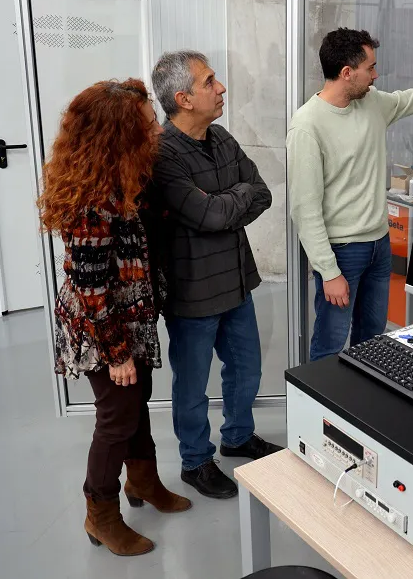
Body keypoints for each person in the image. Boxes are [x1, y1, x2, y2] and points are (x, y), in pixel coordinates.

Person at [41, 79, 191, 557]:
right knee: (115, 418)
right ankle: (100, 513)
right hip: (101, 326)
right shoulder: (94, 197)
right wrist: (117, 352)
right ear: (118, 135)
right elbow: (90, 290)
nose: (157, 131)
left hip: (129, 316)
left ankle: (143, 481)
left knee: (136, 401)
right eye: (147, 125)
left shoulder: (127, 176)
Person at [287, 28, 413, 361]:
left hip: (379, 246)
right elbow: (304, 209)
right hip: (342, 253)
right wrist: (329, 272)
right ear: (347, 73)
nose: (376, 75)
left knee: (372, 340)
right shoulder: (307, 126)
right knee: (330, 344)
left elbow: (407, 99)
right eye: (370, 68)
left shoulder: (372, 103)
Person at [151, 50, 282, 500]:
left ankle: (238, 436)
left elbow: (261, 193)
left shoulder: (221, 137)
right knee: (192, 385)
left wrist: (222, 202)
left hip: (236, 281)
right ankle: (195, 461)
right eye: (209, 82)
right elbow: (207, 215)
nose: (221, 87)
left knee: (247, 369)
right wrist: (226, 204)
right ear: (184, 99)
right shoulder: (162, 154)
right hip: (192, 292)